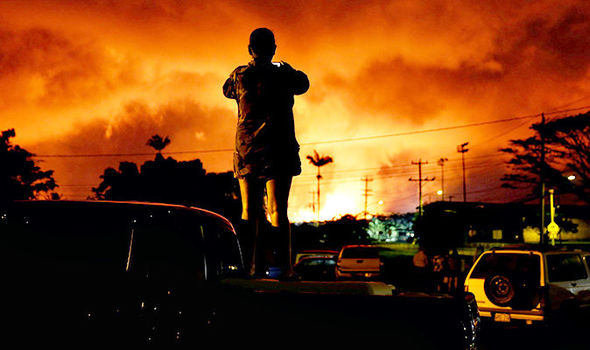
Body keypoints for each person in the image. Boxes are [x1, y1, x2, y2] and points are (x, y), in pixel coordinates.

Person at [223, 28, 309, 278]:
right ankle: (284, 268)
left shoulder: (239, 75)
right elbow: (303, 83)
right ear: (273, 49)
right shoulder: (284, 74)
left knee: (248, 211)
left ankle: (248, 266)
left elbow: (227, 91)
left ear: (250, 49)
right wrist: (283, 65)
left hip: (247, 148)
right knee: (277, 210)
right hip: (278, 147)